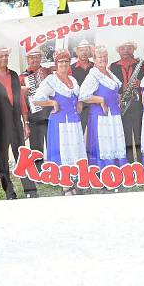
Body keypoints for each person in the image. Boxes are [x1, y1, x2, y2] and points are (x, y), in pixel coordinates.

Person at [0, 47, 38, 200]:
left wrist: (26, 122)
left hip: (15, 123)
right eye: (0, 56)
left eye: (6, 56)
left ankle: (30, 189)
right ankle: (9, 192)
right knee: (2, 161)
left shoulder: (13, 75)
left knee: (22, 156)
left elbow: (20, 101)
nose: (4, 59)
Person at [32, 49, 87, 196]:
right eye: (61, 61)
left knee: (74, 151)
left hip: (74, 121)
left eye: (66, 61)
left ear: (69, 63)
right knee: (63, 152)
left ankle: (74, 181)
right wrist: (52, 103)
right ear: (56, 63)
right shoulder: (51, 79)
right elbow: (37, 99)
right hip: (60, 123)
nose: (64, 64)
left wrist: (80, 103)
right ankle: (65, 186)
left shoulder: (73, 80)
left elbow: (79, 96)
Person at [79, 45, 128, 169]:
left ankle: (118, 168)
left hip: (114, 114)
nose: (103, 59)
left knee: (115, 142)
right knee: (105, 143)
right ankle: (105, 169)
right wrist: (100, 100)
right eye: (100, 57)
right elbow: (83, 96)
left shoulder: (109, 73)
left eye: (105, 56)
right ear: (94, 59)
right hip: (101, 116)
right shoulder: (94, 75)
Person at [110, 41, 144, 163]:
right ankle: (130, 163)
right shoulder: (112, 66)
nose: (125, 50)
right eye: (122, 48)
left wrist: (140, 83)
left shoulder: (142, 64)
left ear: (133, 50)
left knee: (139, 133)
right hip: (121, 104)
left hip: (136, 104)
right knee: (125, 135)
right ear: (118, 51)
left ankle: (141, 162)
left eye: (129, 48)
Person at [20, 47, 52, 176]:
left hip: (49, 113)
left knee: (51, 142)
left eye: (37, 57)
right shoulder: (22, 77)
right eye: (31, 57)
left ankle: (52, 169)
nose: (34, 60)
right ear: (27, 60)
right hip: (34, 115)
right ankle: (38, 171)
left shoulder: (48, 72)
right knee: (36, 145)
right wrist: (21, 90)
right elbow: (18, 99)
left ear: (40, 58)